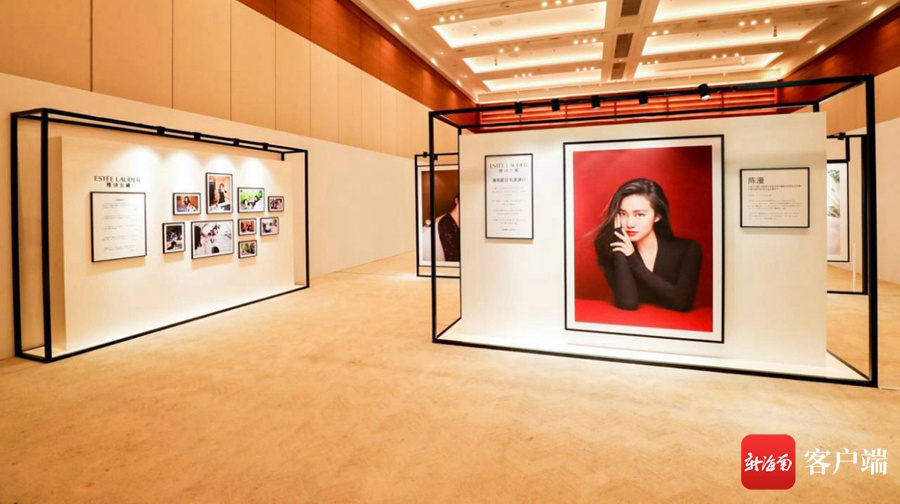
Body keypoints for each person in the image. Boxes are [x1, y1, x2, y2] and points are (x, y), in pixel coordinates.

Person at [593, 178, 701, 312]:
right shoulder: (610, 250)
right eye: (623, 214)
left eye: (639, 214)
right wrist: (620, 245)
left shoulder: (688, 249)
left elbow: (682, 303)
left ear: (657, 216)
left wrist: (634, 262)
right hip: (635, 324)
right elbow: (628, 303)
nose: (629, 223)